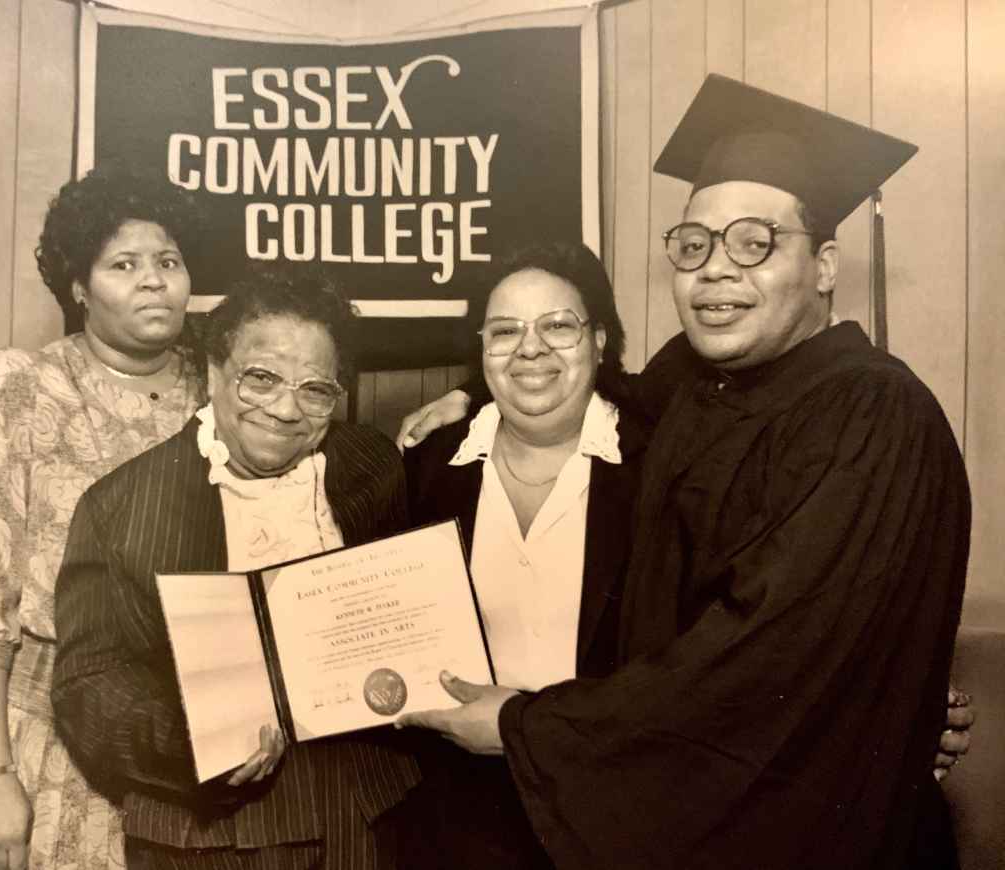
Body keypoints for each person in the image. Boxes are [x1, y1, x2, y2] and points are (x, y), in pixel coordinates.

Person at [398, 74, 972, 868]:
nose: (714, 271)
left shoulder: (871, 417)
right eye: (694, 245)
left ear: (827, 264)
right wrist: (472, 389)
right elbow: (576, 384)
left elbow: (758, 657)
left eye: (753, 244)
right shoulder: (698, 378)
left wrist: (523, 728)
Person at [50, 268, 421, 870]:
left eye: (315, 389)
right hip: (209, 837)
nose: (285, 409)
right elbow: (86, 686)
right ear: (215, 375)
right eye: (262, 379)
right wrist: (194, 737)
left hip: (369, 816)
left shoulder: (370, 466)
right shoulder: (119, 507)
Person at [0, 165, 206, 870]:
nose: (154, 280)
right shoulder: (20, 388)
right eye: (125, 264)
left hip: (188, 738)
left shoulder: (220, 392)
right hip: (47, 741)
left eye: (168, 262)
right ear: (79, 288)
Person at [401, 242, 649, 869]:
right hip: (458, 822)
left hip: (615, 813)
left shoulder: (662, 461)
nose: (530, 349)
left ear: (599, 339)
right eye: (505, 331)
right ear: (481, 348)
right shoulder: (429, 465)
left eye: (559, 326)